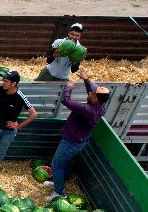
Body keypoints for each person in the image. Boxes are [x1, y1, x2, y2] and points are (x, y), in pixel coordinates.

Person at [45, 70, 110, 201]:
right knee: (65, 163)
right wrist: (86, 80)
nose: (89, 92)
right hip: (80, 140)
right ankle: (58, 182)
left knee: (56, 165)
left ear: (96, 99)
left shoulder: (87, 110)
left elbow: (65, 100)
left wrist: (69, 87)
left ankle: (60, 193)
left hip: (71, 141)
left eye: (91, 92)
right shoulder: (100, 104)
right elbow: (92, 92)